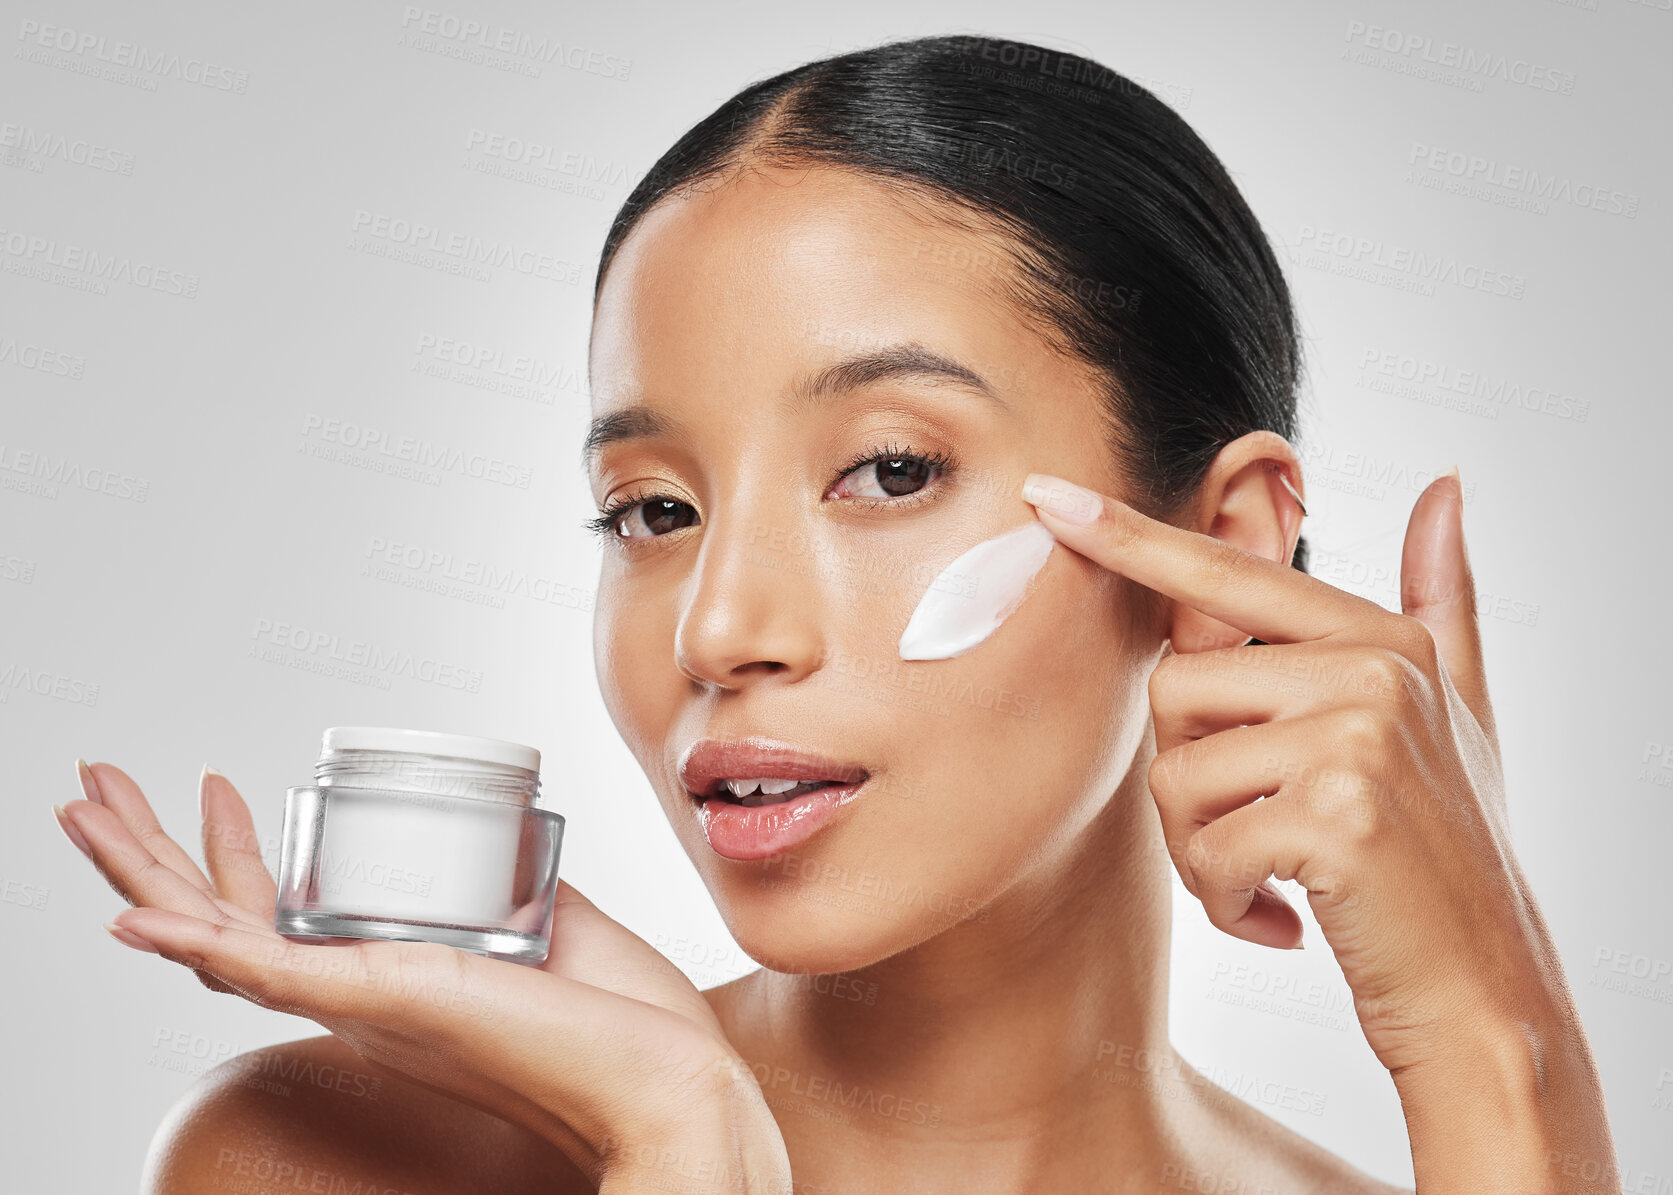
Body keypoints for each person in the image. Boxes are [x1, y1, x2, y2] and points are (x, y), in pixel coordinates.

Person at [57, 34, 1617, 1195]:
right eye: (652, 513)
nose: (718, 626)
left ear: (1214, 553)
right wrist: (686, 1143)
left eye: (884, 470)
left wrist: (1493, 1045)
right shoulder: (327, 1165)